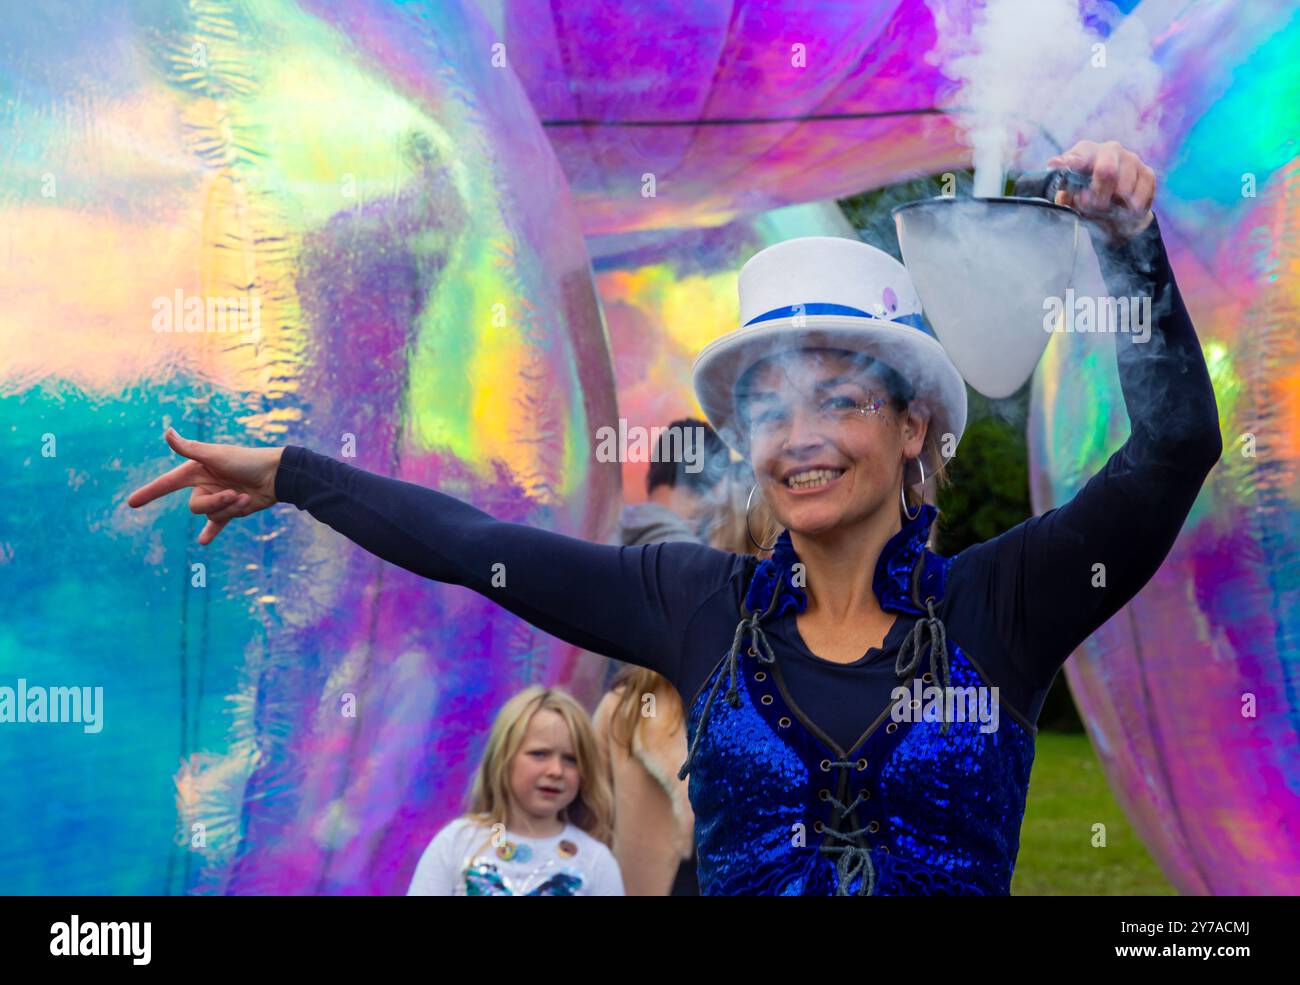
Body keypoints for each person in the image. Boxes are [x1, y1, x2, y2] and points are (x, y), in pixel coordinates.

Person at [126, 140, 1221, 895]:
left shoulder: (1004, 600)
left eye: (839, 398)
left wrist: (1127, 244)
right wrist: (293, 472)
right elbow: (480, 550)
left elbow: (1174, 450)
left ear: (912, 426)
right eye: (770, 405)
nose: (800, 435)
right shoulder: (694, 600)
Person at [405, 685, 624, 895]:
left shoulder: (597, 862)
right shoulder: (457, 842)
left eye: (571, 759)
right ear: (503, 757)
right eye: (539, 754)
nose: (556, 770)